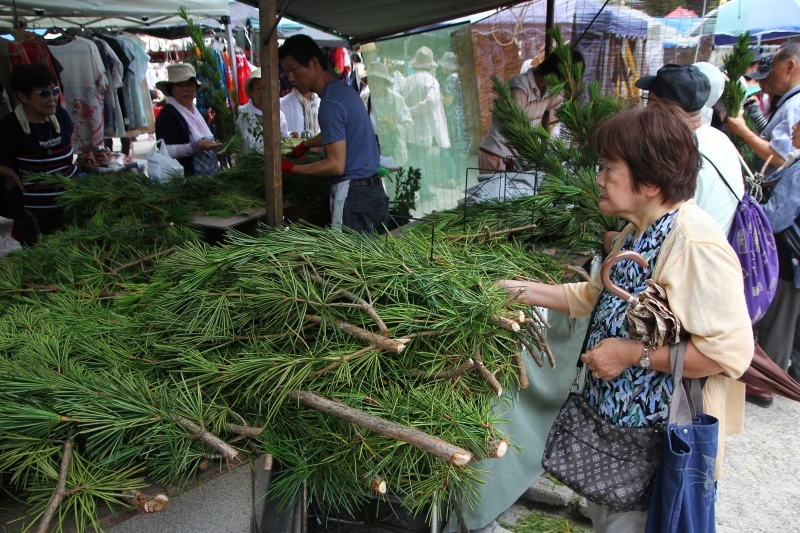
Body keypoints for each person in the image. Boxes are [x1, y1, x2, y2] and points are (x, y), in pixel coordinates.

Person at [497, 101, 753, 531]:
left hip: (655, 448)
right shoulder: (638, 232)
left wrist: (631, 354)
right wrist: (518, 290)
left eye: (607, 168)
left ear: (649, 180)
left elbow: (732, 353)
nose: (598, 179)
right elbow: (592, 296)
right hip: (616, 441)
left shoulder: (693, 245)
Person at [278, 34, 388, 233]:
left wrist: (293, 169)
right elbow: (338, 132)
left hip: (353, 196)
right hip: (372, 192)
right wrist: (306, 145)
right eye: (286, 72)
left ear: (313, 63)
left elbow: (336, 166)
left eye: (294, 70)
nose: (290, 78)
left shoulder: (329, 104)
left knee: (348, 262)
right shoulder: (343, 93)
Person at [635, 63, 744, 235]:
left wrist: (613, 240)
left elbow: (661, 232)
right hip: (719, 245)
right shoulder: (719, 138)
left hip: (690, 255)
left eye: (648, 101)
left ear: (658, 107)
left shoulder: (679, 155)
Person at [0, 63, 77, 246]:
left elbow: (68, 148)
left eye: (55, 91)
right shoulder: (9, 127)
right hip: (34, 211)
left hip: (70, 203)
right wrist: (8, 172)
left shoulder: (62, 116)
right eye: (43, 93)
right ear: (22, 96)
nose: (52, 99)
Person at [479, 50, 583, 172]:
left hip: (516, 158)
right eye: (564, 81)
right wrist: (539, 157)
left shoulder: (549, 90)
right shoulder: (519, 88)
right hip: (498, 156)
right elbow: (515, 132)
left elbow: (562, 110)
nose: (563, 86)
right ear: (556, 72)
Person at [727, 42, 800, 174]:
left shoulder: (795, 106)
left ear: (789, 67)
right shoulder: (791, 101)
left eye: (773, 68)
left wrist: (742, 130)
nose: (770, 75)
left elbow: (781, 158)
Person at [397, 46, 450, 196]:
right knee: (420, 162)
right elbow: (432, 100)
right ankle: (422, 190)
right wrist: (413, 111)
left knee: (415, 160)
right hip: (423, 129)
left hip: (408, 129)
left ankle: (419, 189)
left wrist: (407, 112)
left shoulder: (405, 81)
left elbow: (398, 100)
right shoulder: (431, 81)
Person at [154, 63, 221, 177]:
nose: (185, 89)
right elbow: (165, 150)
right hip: (188, 182)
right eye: (179, 85)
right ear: (171, 89)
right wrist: (196, 146)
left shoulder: (195, 112)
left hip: (209, 180)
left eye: (189, 84)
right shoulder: (168, 114)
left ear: (196, 88)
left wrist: (215, 149)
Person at [365, 62, 412, 168]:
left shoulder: (397, 100)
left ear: (384, 82)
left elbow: (408, 124)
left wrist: (394, 127)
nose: (374, 84)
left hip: (394, 151)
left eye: (378, 80)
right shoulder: (364, 99)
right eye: (371, 80)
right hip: (371, 150)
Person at [236, 68, 289, 151]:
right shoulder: (241, 113)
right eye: (259, 88)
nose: (264, 92)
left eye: (267, 88)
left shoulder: (279, 115)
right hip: (247, 163)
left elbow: (284, 140)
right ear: (251, 91)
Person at [440, 51, 469, 184]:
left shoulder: (451, 79)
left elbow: (448, 101)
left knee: (451, 149)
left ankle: (453, 178)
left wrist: (439, 94)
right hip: (460, 115)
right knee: (457, 150)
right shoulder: (458, 77)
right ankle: (457, 177)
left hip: (453, 118)